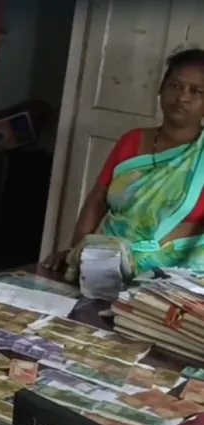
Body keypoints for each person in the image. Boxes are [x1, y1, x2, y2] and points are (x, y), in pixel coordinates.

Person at [42, 49, 204, 277]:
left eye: (196, 91)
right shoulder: (132, 141)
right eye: (175, 85)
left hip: (170, 280)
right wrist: (77, 252)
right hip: (103, 267)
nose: (182, 97)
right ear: (160, 89)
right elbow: (97, 201)